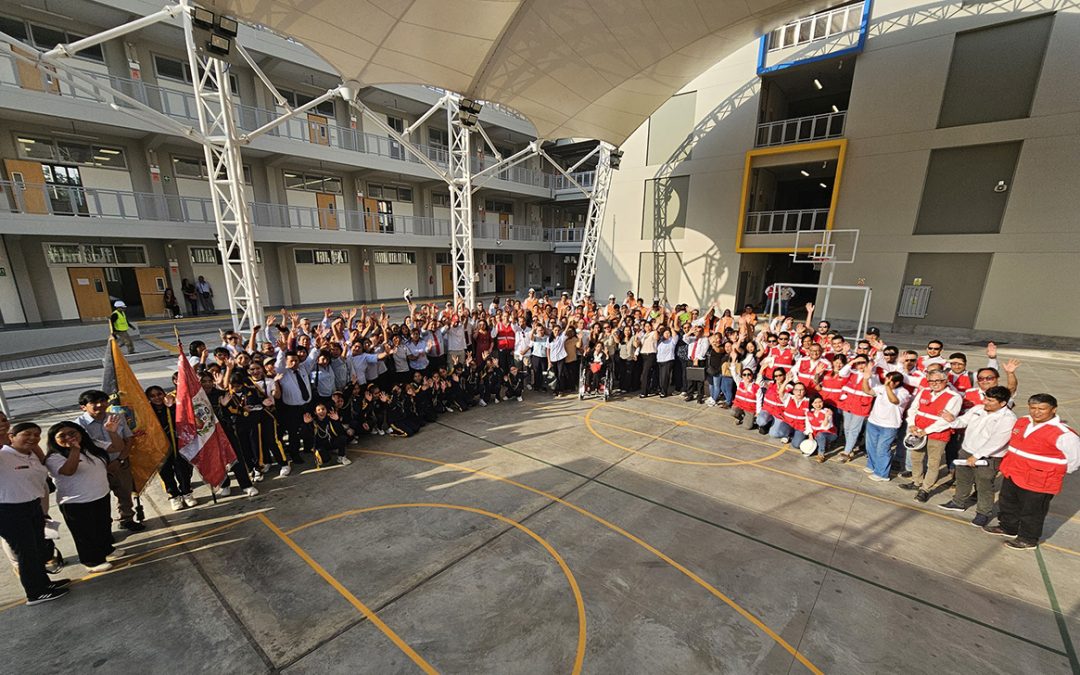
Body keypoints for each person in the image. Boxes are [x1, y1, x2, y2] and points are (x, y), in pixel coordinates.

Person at [984, 394, 1080, 549]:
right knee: (1008, 502)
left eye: (1042, 409)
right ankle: (1008, 527)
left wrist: (1052, 472)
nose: (1037, 412)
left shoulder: (1064, 434)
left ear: (1053, 409)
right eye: (1033, 408)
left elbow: (1074, 460)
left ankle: (1028, 539)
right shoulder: (1022, 422)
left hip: (1039, 479)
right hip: (1013, 472)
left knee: (1033, 510)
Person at [0, 416, 69, 605]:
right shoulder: (4, 454)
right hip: (9, 510)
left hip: (32, 506)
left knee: (38, 548)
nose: (32, 438)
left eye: (37, 435)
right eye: (27, 434)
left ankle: (44, 584)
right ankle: (35, 593)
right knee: (26, 552)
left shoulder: (30, 454)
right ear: (12, 436)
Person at [936, 386, 1016, 526]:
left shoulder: (1008, 419)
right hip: (966, 450)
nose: (985, 402)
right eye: (985, 398)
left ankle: (983, 513)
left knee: (984, 485)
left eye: (990, 400)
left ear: (1002, 403)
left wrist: (977, 456)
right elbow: (963, 421)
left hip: (989, 457)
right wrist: (952, 420)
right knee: (962, 479)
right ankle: (958, 502)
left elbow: (997, 441)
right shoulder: (978, 409)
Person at [45, 421, 117, 573]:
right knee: (85, 533)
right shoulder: (54, 458)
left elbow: (117, 447)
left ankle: (106, 549)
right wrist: (74, 449)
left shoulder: (92, 447)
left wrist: (112, 432)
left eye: (72, 433)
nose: (69, 437)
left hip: (100, 494)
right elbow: (69, 470)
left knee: (102, 526)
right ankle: (92, 561)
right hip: (76, 502)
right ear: (54, 439)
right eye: (62, 436)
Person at [76, 389, 144, 532]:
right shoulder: (78, 425)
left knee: (124, 494)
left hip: (120, 463)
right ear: (83, 407)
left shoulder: (117, 417)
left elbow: (128, 440)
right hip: (97, 468)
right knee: (100, 499)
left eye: (103, 401)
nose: (100, 405)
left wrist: (119, 460)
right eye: (94, 403)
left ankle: (127, 519)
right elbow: (86, 449)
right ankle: (104, 527)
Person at [900, 370, 963, 502]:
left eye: (938, 381)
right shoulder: (924, 392)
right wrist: (911, 424)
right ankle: (917, 482)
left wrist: (926, 431)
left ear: (946, 381)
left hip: (937, 435)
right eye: (931, 381)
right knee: (916, 458)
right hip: (917, 431)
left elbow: (946, 420)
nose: (934, 384)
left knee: (933, 463)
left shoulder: (954, 397)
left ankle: (925, 489)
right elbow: (913, 409)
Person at [146, 386, 196, 511]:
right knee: (166, 472)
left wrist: (172, 407)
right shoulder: (146, 411)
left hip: (176, 443)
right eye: (153, 396)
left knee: (182, 469)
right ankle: (173, 496)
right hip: (159, 447)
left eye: (159, 394)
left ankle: (186, 492)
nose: (157, 398)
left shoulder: (173, 406)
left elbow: (182, 421)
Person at [862, 371, 911, 482]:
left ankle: (882, 474)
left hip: (889, 425)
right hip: (873, 422)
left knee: (882, 449)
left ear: (897, 382)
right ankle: (872, 466)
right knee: (871, 447)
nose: (886, 382)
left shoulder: (904, 392)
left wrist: (887, 387)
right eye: (886, 379)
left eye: (890, 381)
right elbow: (868, 391)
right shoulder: (881, 388)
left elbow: (894, 400)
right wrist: (865, 379)